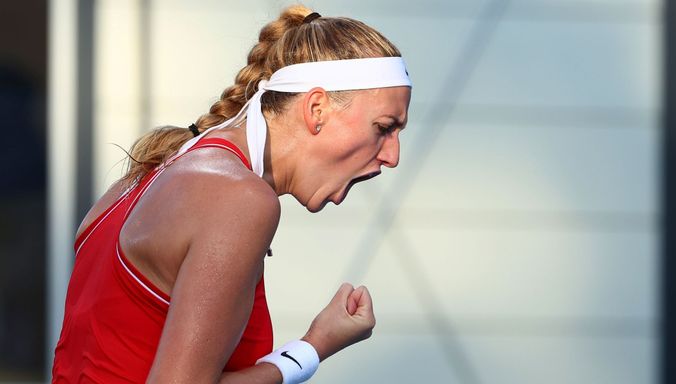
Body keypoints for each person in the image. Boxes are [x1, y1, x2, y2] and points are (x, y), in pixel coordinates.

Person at [52, 5, 411, 383]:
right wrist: (310, 349)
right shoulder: (240, 200)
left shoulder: (142, 177)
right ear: (316, 108)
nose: (393, 156)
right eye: (385, 127)